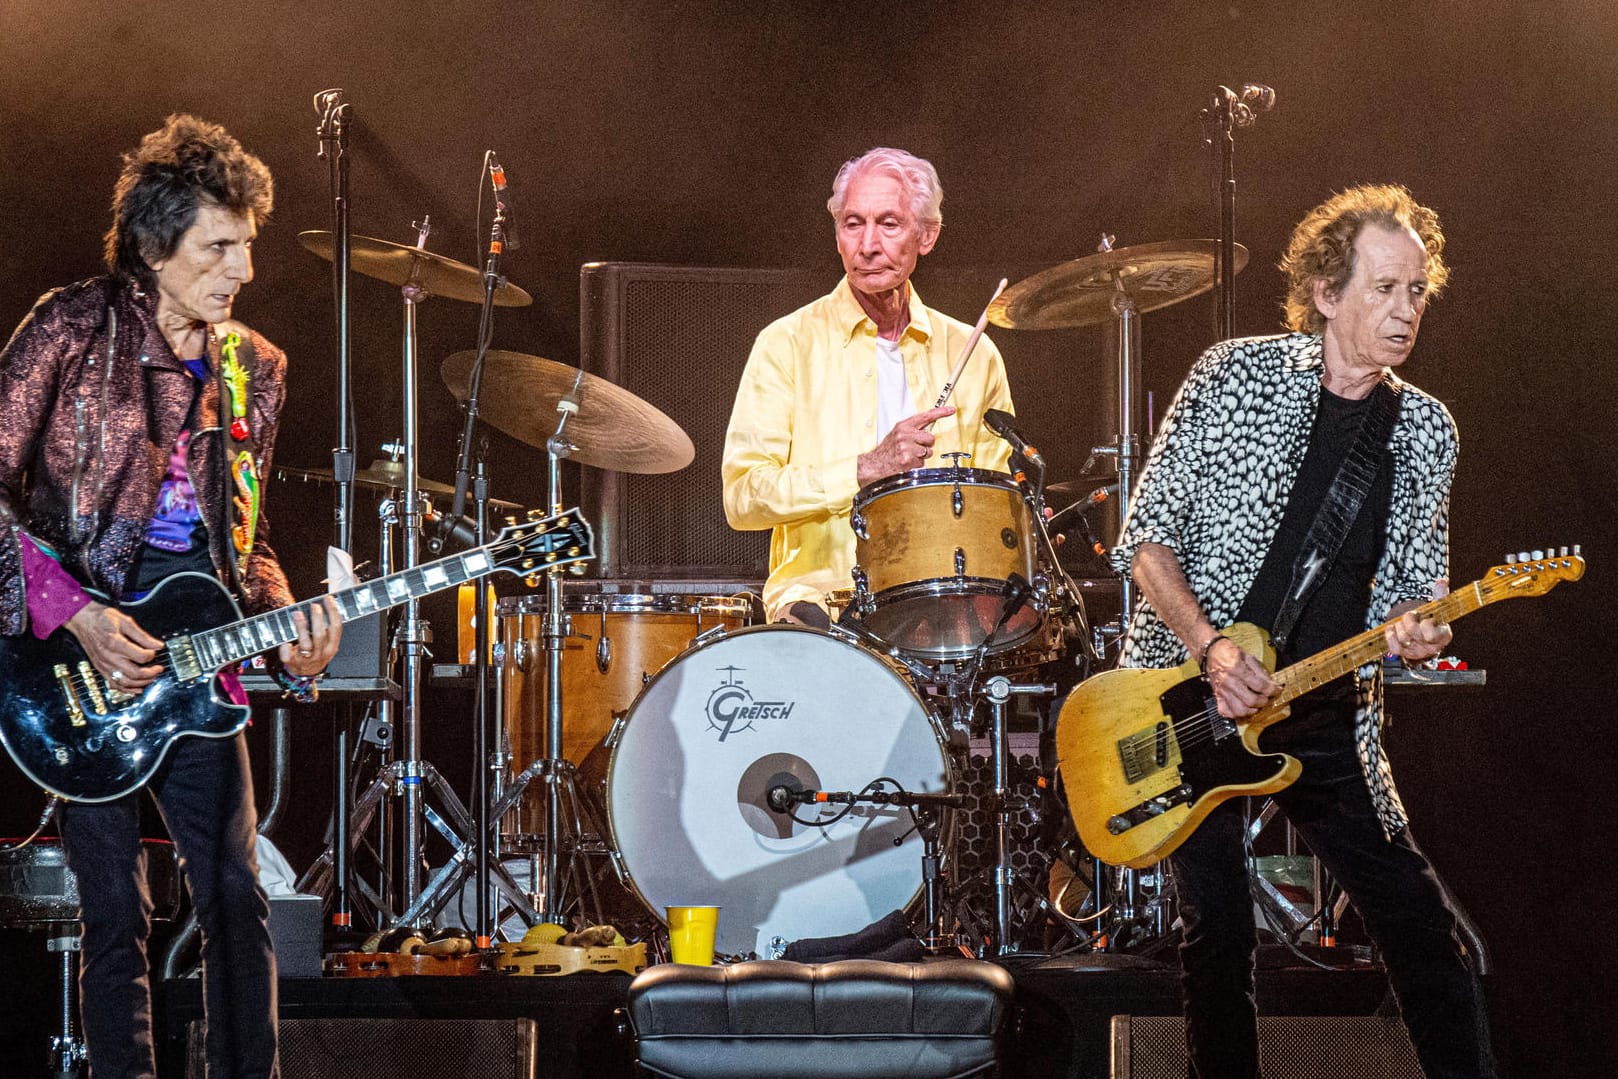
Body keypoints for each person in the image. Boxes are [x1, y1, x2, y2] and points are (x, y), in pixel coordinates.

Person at [1111, 184, 1495, 1077]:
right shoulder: (1231, 376)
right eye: (1385, 288)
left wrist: (1418, 630)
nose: (1405, 312)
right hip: (1186, 701)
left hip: (1323, 717)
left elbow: (1411, 589)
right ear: (1327, 292)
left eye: (1417, 292)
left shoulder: (1425, 429)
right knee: (1215, 937)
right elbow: (1146, 539)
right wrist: (1209, 648)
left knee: (1421, 932)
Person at [0, 115, 341, 1079]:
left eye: (247, 246)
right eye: (219, 247)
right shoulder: (71, 328)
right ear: (156, 247)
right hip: (72, 646)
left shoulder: (255, 368)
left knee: (236, 891)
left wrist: (289, 623)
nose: (242, 270)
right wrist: (70, 608)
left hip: (200, 646)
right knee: (117, 909)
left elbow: (249, 536)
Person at [722, 147, 1014, 625]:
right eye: (853, 224)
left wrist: (1019, 526)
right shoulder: (785, 343)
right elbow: (743, 497)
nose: (868, 245)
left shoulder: (974, 353)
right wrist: (866, 467)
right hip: (822, 604)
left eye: (889, 224)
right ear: (837, 236)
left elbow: (996, 498)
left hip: (943, 605)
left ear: (927, 236)